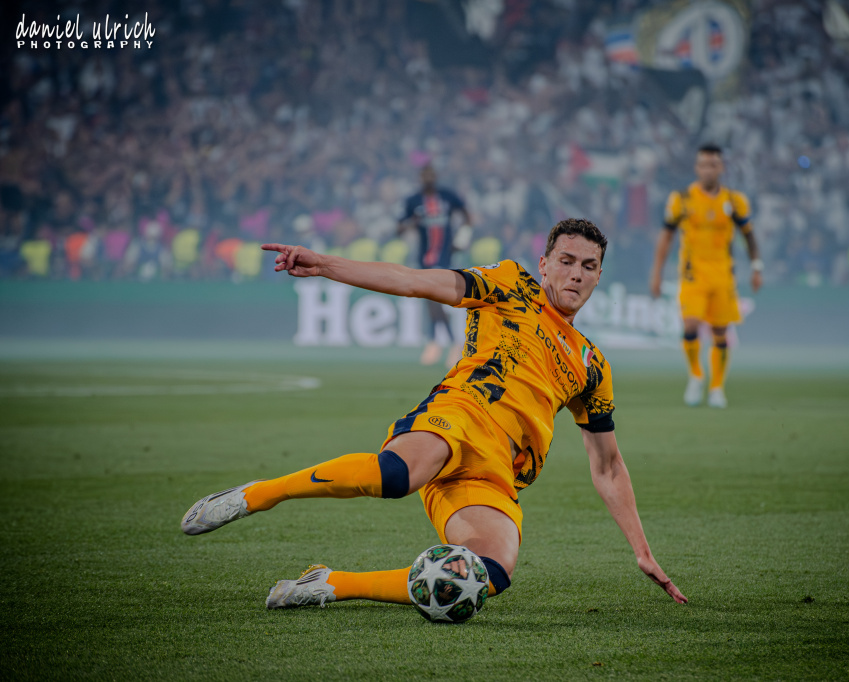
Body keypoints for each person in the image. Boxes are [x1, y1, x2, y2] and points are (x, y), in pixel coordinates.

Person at [181, 218, 687, 610]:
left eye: (589, 266)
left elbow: (608, 466)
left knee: (489, 574)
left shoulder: (592, 364)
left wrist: (642, 551)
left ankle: (330, 584)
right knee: (396, 475)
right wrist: (326, 265)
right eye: (567, 261)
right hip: (460, 414)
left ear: (599, 276)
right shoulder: (510, 284)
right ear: (545, 263)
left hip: (494, 472)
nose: (576, 273)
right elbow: (413, 281)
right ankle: (257, 495)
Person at [648, 144, 762, 408]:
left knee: (721, 331)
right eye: (703, 164)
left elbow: (749, 235)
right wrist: (656, 273)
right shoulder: (682, 199)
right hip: (693, 275)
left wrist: (757, 267)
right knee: (690, 325)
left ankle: (717, 387)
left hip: (723, 275)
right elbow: (666, 237)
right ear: (696, 168)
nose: (708, 169)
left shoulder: (734, 201)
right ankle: (696, 376)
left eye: (713, 164)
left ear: (721, 168)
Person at [399, 164, 473, 367]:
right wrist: (412, 222)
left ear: (436, 176)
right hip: (425, 258)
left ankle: (446, 342)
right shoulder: (414, 201)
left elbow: (467, 216)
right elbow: (399, 228)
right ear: (421, 178)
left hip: (444, 257)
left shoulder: (447, 196)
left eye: (431, 175)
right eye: (425, 175)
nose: (429, 178)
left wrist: (462, 239)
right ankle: (439, 342)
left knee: (433, 299)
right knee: (430, 299)